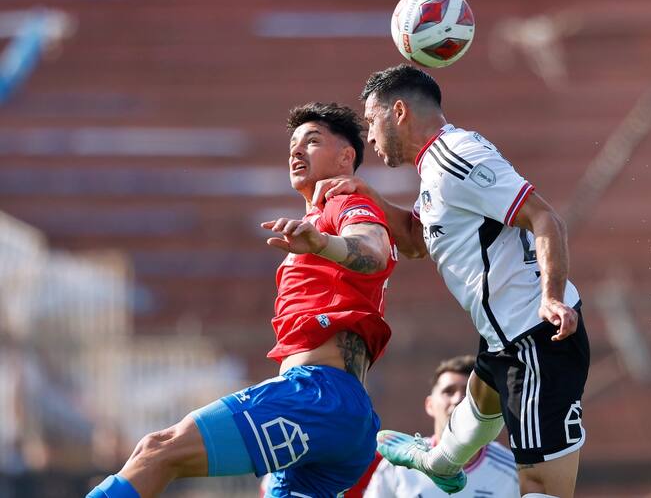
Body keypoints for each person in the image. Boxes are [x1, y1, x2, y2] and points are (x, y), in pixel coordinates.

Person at [86, 102, 398, 498]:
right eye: (292, 145)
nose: (297, 150)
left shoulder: (344, 203)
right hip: (340, 415)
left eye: (312, 141)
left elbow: (372, 250)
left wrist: (322, 243)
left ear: (345, 157)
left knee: (158, 450)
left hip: (318, 398)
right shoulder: (317, 222)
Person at [314, 65, 590, 498]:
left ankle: (442, 460)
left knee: (540, 487)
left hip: (536, 338)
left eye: (371, 120)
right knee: (480, 400)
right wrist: (367, 195)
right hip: (504, 338)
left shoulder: (456, 156)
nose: (369, 136)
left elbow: (545, 217)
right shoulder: (434, 169)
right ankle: (441, 461)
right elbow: (415, 241)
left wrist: (552, 297)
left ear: (398, 111)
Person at [362, 355, 519, 497]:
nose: (457, 399)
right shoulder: (400, 466)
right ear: (430, 405)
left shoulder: (512, 471)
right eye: (448, 391)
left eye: (467, 393)